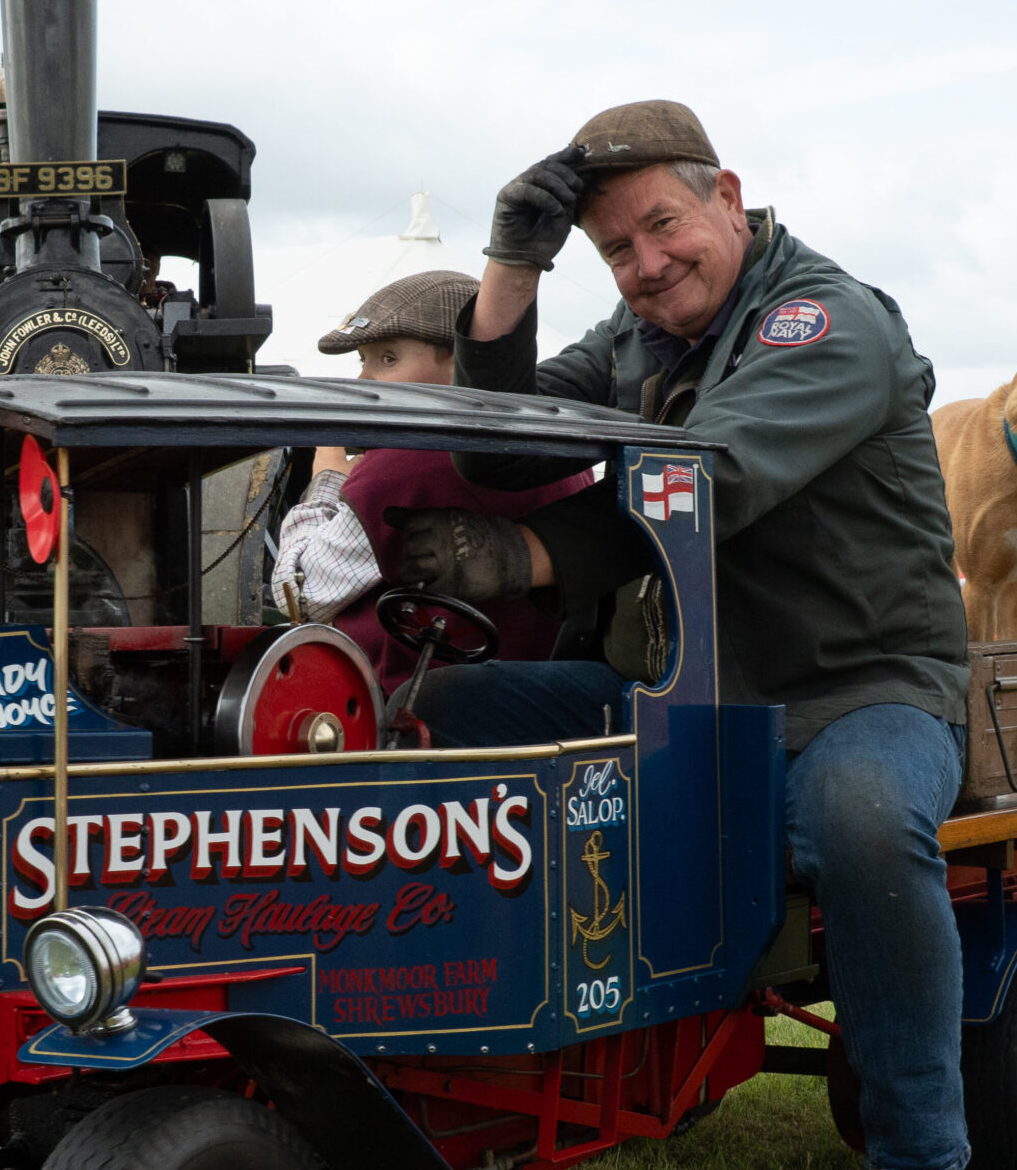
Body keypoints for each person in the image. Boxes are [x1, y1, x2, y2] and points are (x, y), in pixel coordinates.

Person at [394, 102, 970, 1169]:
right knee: (438, 714)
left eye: (664, 225)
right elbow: (498, 454)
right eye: (616, 248)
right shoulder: (635, 339)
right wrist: (513, 268)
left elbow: (709, 480)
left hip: (858, 690)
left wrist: (519, 560)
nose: (649, 264)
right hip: (690, 696)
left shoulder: (829, 321)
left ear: (729, 197)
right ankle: (482, 1063)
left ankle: (922, 1147)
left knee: (863, 824)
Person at [269, 271, 590, 687]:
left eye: (388, 359)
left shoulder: (400, 468)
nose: (363, 382)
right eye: (362, 360)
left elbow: (301, 595)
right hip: (537, 698)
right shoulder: (562, 453)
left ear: (462, 360)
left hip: (406, 711)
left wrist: (327, 478)